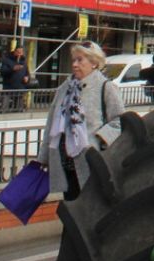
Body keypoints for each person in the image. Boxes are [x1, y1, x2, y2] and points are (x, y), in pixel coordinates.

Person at [36, 41, 123, 201]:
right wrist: (43, 157)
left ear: (94, 63)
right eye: (73, 60)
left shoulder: (105, 87)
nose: (75, 65)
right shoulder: (65, 88)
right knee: (71, 203)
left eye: (80, 60)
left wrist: (97, 139)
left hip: (90, 161)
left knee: (88, 206)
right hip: (65, 161)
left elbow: (119, 121)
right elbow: (51, 125)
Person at [1, 44, 31, 111]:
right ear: (14, 52)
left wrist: (27, 78)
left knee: (19, 108)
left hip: (20, 88)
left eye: (21, 52)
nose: (19, 54)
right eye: (18, 52)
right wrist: (12, 69)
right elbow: (3, 72)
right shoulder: (7, 60)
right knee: (4, 107)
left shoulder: (24, 62)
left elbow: (27, 73)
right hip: (8, 88)